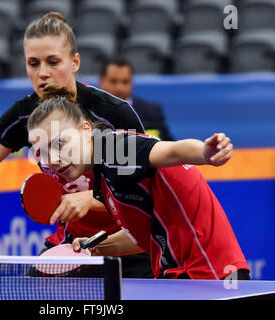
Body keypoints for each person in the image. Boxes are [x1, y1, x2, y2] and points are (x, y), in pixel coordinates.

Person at [0, 12, 154, 278]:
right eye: (33, 64)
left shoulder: (112, 115)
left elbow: (142, 197)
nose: (42, 73)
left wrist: (89, 199)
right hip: (74, 246)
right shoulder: (23, 116)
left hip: (129, 243)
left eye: (53, 62)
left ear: (75, 62)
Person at [26, 85, 250, 280]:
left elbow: (170, 151)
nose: (53, 159)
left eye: (59, 143)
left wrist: (203, 152)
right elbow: (140, 238)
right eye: (42, 152)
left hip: (210, 274)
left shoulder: (114, 149)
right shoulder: (103, 177)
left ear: (85, 130)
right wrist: (94, 248)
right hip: (177, 274)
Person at [99, 57, 174, 141]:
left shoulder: (152, 112)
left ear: (132, 82)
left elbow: (167, 145)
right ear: (101, 81)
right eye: (113, 81)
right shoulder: (86, 112)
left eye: (125, 82)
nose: (119, 87)